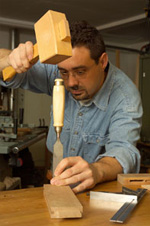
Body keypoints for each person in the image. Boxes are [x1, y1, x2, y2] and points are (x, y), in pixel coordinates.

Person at [0, 21, 143, 193]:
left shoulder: (125, 97)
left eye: (81, 72)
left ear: (103, 61)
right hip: (56, 183)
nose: (71, 82)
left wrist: (97, 170)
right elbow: (6, 66)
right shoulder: (58, 69)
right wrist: (10, 59)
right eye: (64, 73)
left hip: (97, 189)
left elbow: (124, 151)